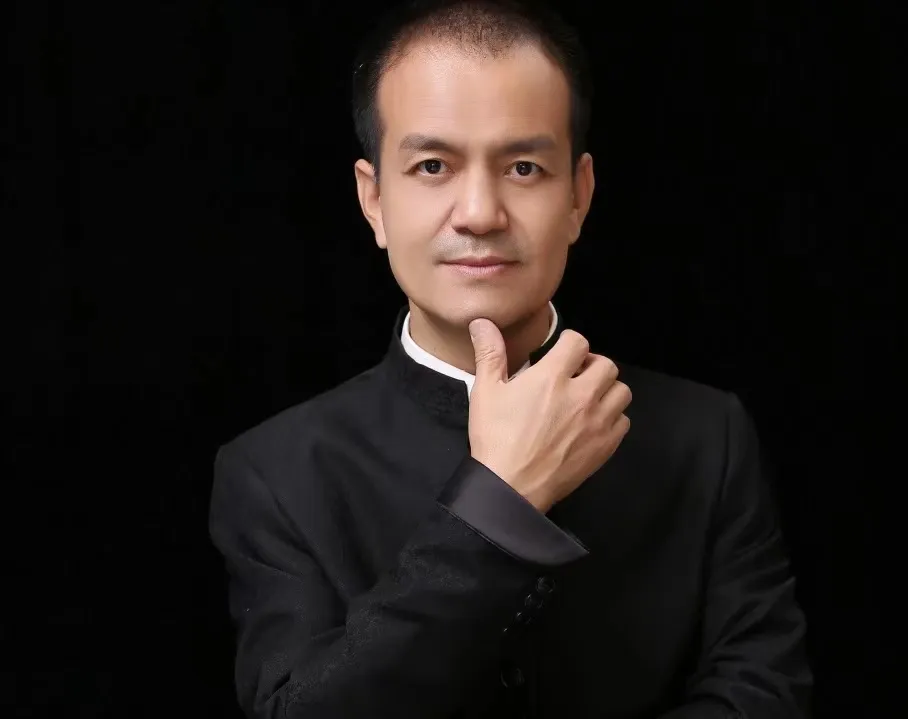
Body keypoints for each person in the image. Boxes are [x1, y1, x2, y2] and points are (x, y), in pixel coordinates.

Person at [208, 1, 812, 717]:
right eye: (433, 166)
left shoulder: (707, 436)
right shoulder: (275, 472)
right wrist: (498, 501)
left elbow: (764, 694)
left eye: (524, 167)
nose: (479, 213)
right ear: (374, 200)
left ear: (579, 196)